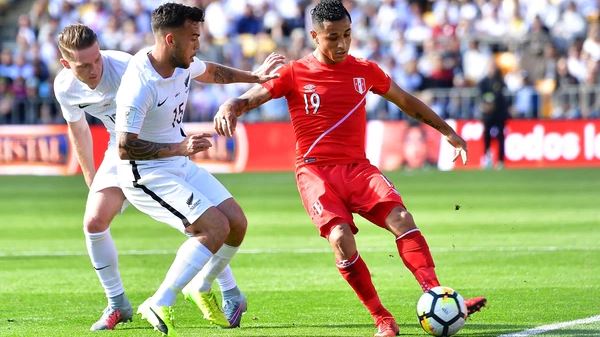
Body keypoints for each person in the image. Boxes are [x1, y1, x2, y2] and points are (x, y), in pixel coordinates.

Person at [213, 1, 486, 336]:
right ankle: (382, 319)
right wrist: (231, 104)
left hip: (358, 168)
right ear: (314, 35)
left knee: (402, 219)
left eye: (347, 35)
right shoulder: (295, 73)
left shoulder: (365, 70)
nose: (341, 44)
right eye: (332, 38)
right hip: (315, 172)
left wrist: (447, 131)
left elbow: (406, 101)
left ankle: (437, 295)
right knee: (341, 239)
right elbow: (252, 97)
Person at [54, 23, 281, 332]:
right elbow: (78, 129)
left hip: (161, 150)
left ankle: (225, 291)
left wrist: (253, 76)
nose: (95, 68)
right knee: (94, 222)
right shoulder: (65, 87)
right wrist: (92, 179)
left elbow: (204, 71)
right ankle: (117, 304)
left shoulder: (125, 67)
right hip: (122, 149)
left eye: (97, 59)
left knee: (210, 224)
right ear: (66, 65)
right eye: (85, 65)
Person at [114, 3, 283, 336]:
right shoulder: (141, 84)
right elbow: (124, 146)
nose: (198, 44)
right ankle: (160, 300)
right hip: (145, 173)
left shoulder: (181, 62)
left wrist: (255, 77)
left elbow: (212, 72)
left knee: (236, 223)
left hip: (177, 162)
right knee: (212, 228)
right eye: (193, 38)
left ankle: (201, 285)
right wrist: (179, 147)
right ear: (170, 39)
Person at [478, 62, 509, 169]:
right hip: (487, 114)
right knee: (487, 135)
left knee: (501, 136)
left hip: (499, 113)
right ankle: (487, 158)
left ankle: (500, 160)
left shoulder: (500, 81)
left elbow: (502, 95)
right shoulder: (483, 82)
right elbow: (480, 96)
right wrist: (485, 106)